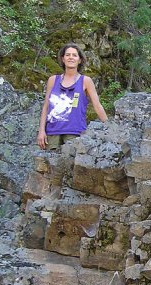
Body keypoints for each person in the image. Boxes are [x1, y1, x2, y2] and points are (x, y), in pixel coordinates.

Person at [37, 43, 108, 196]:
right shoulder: (53, 80)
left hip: (74, 131)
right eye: (68, 55)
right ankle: (49, 200)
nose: (71, 57)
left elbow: (97, 105)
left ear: (80, 60)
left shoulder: (85, 81)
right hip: (53, 131)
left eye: (74, 55)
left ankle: (67, 200)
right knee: (52, 167)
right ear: (62, 59)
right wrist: (41, 131)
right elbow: (46, 107)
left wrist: (109, 127)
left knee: (71, 167)